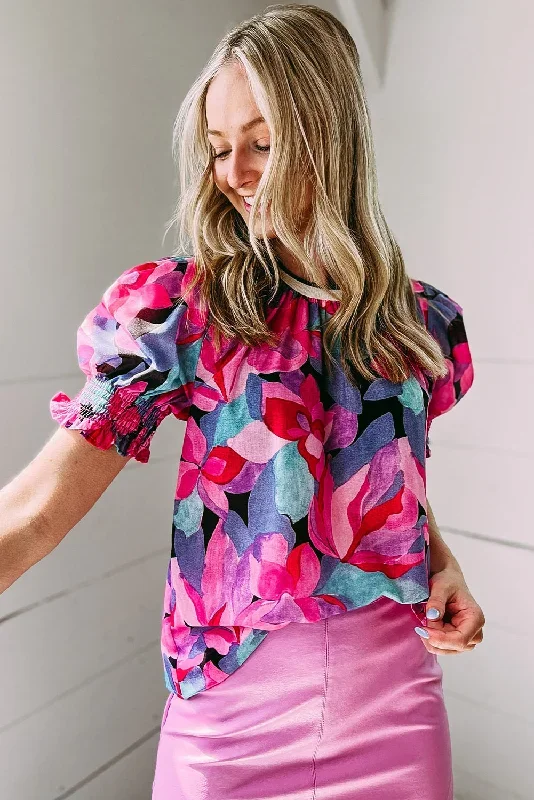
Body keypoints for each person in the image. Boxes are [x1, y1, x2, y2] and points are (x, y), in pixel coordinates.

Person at [0, 4, 485, 799]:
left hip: (394, 703)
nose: (233, 172)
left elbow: (378, 477)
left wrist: (444, 561)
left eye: (261, 143)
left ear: (329, 135)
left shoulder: (416, 322)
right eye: (221, 149)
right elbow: (40, 505)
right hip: (231, 717)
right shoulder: (185, 315)